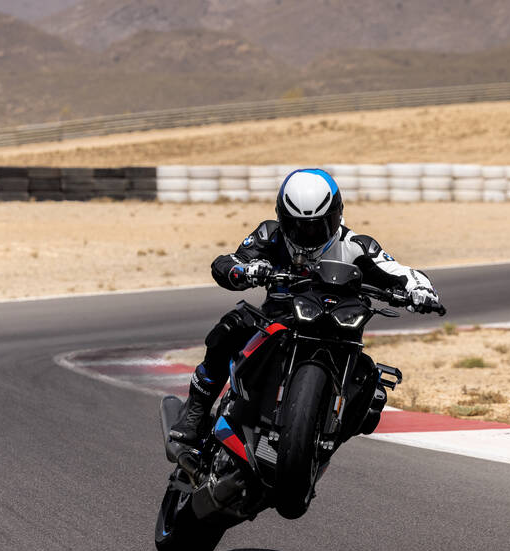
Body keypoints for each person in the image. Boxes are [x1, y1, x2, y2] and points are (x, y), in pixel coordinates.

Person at [168, 167, 444, 445]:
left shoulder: (355, 245)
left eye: (319, 225)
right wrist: (245, 270)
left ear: (337, 215)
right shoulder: (270, 234)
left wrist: (419, 290)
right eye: (299, 226)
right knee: (231, 327)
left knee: (370, 381)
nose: (309, 234)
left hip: (338, 331)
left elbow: (400, 271)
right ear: (282, 219)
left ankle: (325, 433)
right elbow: (229, 261)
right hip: (278, 322)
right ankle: (195, 412)